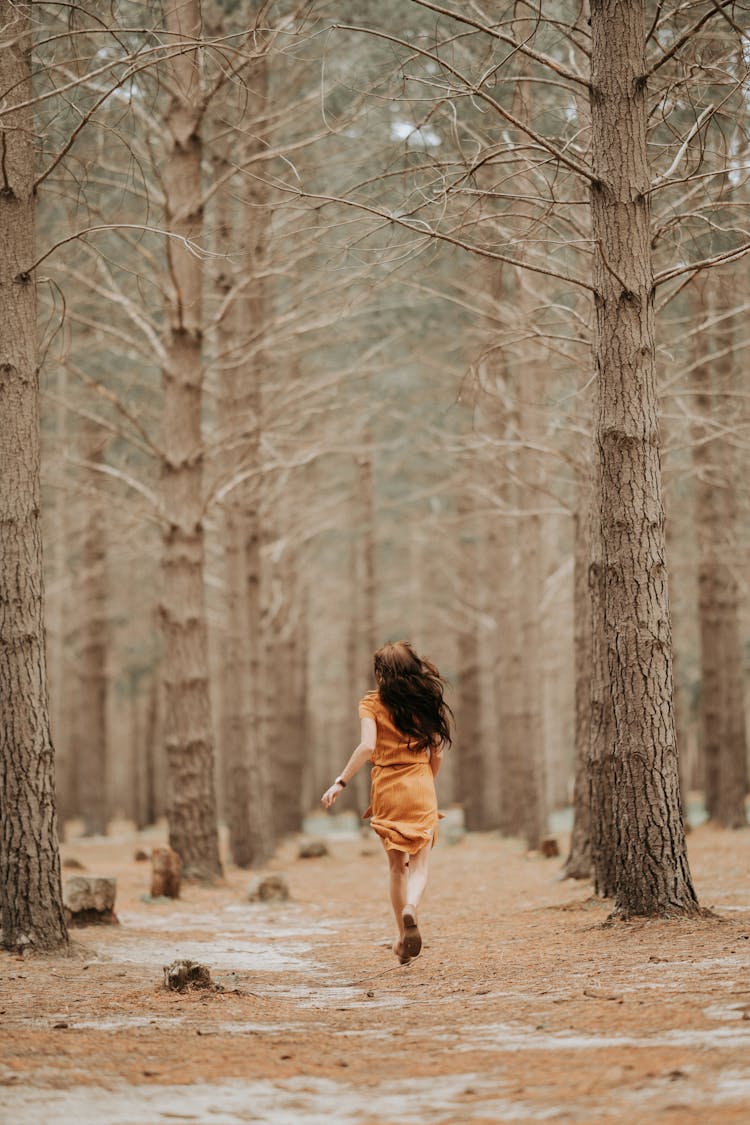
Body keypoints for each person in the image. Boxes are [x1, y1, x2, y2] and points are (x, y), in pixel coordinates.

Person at [321, 640, 453, 964]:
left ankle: (400, 937)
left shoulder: (371, 704)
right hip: (420, 784)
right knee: (420, 864)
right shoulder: (426, 701)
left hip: (387, 787)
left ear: (383, 673)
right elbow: (436, 752)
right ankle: (412, 909)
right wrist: (426, 781)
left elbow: (367, 747)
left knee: (397, 868)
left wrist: (340, 782)